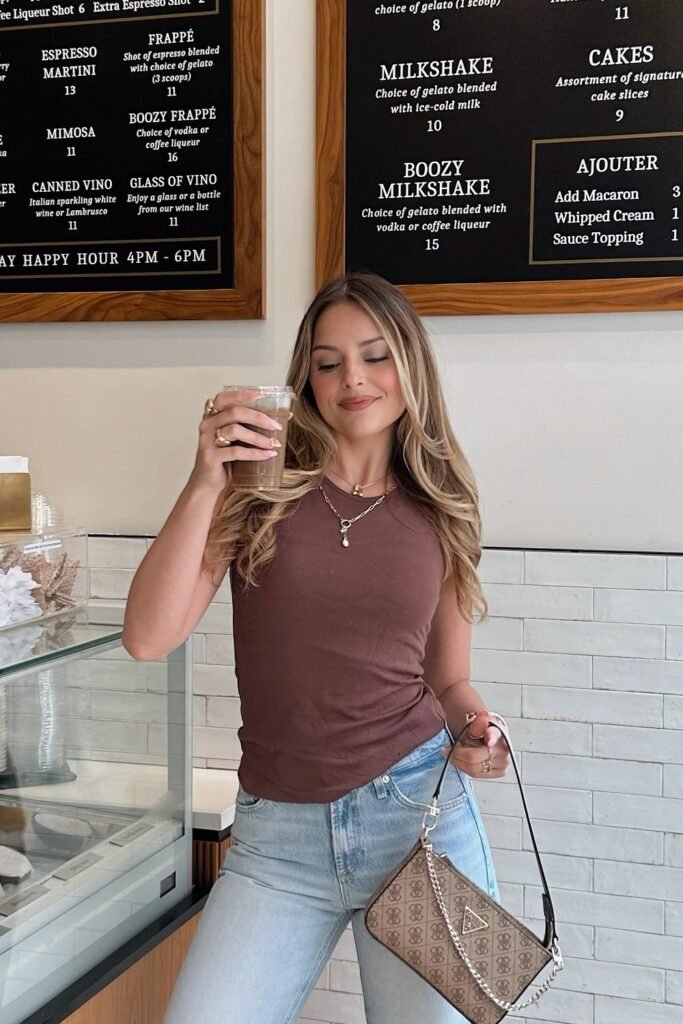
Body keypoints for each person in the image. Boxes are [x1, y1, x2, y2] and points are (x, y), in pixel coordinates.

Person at [123, 272, 511, 1024]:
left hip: (416, 824)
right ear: (305, 377)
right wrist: (206, 479)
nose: (352, 379)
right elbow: (148, 637)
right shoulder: (258, 488)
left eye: (374, 356)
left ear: (410, 365)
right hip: (277, 838)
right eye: (327, 362)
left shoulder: (445, 506)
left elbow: (448, 679)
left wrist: (477, 733)